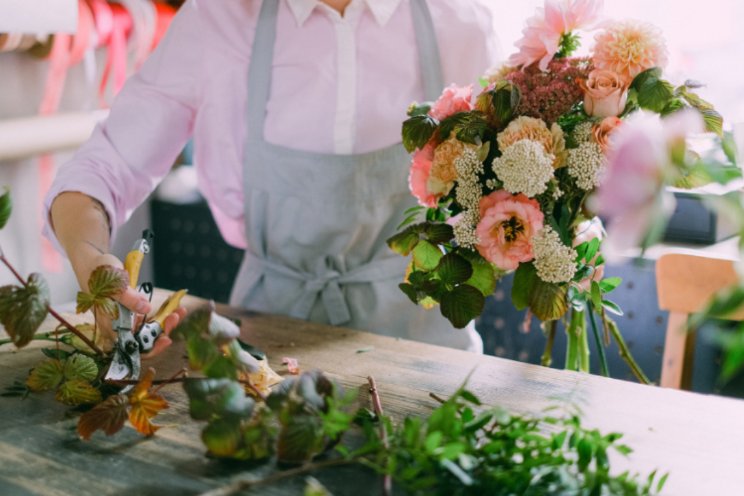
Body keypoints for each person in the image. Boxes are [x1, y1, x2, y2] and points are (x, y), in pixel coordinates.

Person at [46, 0, 500, 354]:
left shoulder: (462, 20)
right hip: (270, 349)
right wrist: (90, 257)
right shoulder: (216, 20)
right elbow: (107, 164)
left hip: (430, 349)